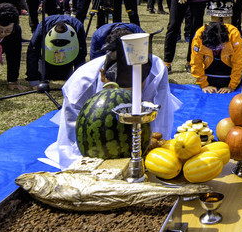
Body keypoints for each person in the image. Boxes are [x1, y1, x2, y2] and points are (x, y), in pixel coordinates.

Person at [44, 25, 180, 170]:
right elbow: (71, 140)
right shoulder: (81, 84)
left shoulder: (156, 69)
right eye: (123, 89)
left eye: (137, 84)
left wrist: (155, 152)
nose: (130, 94)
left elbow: (162, 116)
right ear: (103, 77)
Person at [190, 8, 242, 93]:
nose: (215, 50)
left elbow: (239, 63)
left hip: (228, 73)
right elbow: (195, 62)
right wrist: (204, 85)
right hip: (209, 74)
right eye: (212, 48)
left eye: (218, 47)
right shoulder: (199, 36)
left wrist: (232, 86)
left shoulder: (234, 34)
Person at [26, 14, 88, 85]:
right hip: (46, 57)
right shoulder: (43, 26)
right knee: (44, 75)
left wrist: (79, 78)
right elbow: (33, 50)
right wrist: (33, 80)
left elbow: (81, 53)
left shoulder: (78, 26)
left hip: (67, 57)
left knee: (64, 76)